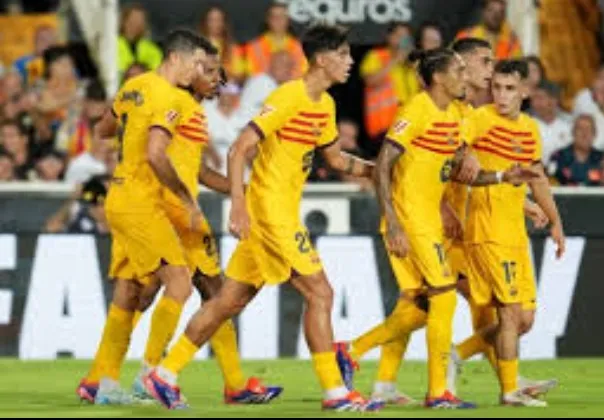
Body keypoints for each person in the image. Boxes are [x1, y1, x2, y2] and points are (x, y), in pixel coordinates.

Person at [144, 23, 382, 412]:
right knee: (320, 294)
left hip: (278, 212)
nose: (350, 61)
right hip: (271, 213)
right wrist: (239, 205)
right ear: (321, 59)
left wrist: (379, 171)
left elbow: (336, 160)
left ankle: (165, 374)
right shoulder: (288, 96)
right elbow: (239, 148)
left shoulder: (324, 105)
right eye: (343, 54)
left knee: (228, 300)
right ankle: (335, 393)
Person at [338, 48, 541, 410]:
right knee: (445, 298)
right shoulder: (417, 110)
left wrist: (503, 177)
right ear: (440, 77)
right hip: (415, 219)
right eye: (467, 67)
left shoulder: (454, 115)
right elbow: (383, 164)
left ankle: (358, 356)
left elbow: (456, 173)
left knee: (421, 303)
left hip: (433, 221)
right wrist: (394, 221)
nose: (474, 74)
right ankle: (444, 390)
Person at [75, 28, 208, 405]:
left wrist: (129, 137)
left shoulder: (134, 86)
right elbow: (155, 153)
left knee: (129, 291)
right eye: (197, 63)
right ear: (176, 58)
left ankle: (103, 383)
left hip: (118, 195)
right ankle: (151, 374)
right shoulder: (171, 96)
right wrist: (186, 199)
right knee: (180, 283)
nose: (198, 71)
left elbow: (103, 129)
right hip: (142, 202)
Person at [460, 60, 565, 407]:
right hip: (487, 228)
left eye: (509, 88)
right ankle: (509, 391)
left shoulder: (530, 129)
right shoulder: (480, 118)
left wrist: (556, 222)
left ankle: (456, 354)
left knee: (525, 319)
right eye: (497, 87)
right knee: (508, 312)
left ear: (525, 91)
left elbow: (538, 180)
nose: (501, 95)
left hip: (515, 232)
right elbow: (453, 143)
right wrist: (467, 152)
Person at [360, 22, 419, 154]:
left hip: (409, 125)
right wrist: (395, 60)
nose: (402, 41)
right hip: (384, 126)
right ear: (389, 37)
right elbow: (370, 81)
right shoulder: (376, 55)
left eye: (406, 38)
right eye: (399, 36)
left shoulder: (411, 63)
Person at [243, 2, 307, 79]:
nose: (278, 20)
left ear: (288, 20)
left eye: (282, 16)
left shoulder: (299, 47)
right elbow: (250, 75)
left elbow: (302, 74)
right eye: (273, 16)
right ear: (267, 20)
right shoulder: (254, 46)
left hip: (291, 85)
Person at [548, 114, 604, 186]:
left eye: (588, 129)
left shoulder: (602, 159)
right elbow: (550, 182)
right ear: (573, 132)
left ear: (595, 134)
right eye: (580, 129)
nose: (584, 134)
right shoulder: (558, 157)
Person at [456, 0, 522, 60]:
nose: (496, 16)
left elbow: (517, 64)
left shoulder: (512, 41)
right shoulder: (466, 36)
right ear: (483, 11)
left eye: (500, 12)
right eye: (491, 10)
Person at [117, 3, 163, 79]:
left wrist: (142, 71)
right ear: (124, 21)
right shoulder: (112, 46)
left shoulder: (153, 49)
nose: (136, 24)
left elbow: (159, 72)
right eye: (133, 19)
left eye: (140, 20)